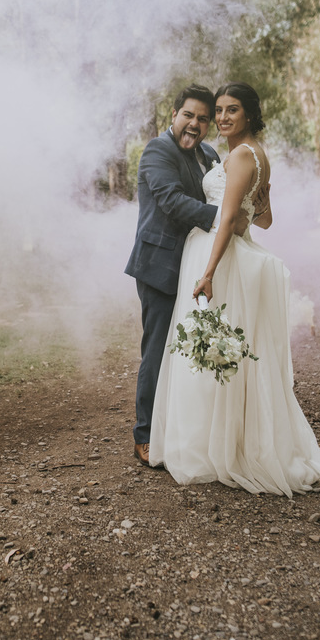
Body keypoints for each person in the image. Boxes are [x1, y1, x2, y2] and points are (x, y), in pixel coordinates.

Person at [149, 82, 320, 494]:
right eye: (219, 109)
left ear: (249, 114)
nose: (222, 117)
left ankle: (209, 449)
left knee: (206, 349)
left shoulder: (240, 157)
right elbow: (262, 220)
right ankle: (222, 440)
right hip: (227, 250)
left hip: (217, 256)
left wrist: (209, 271)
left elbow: (230, 220)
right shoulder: (255, 157)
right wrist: (253, 204)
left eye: (232, 110)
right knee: (220, 349)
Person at [125, 84, 221, 467]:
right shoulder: (156, 150)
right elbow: (170, 200)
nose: (194, 124)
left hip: (197, 267)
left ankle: (183, 429)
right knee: (158, 350)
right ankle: (145, 436)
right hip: (160, 265)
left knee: (188, 349)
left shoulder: (210, 154)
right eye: (189, 115)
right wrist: (225, 220)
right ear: (174, 115)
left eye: (203, 119)